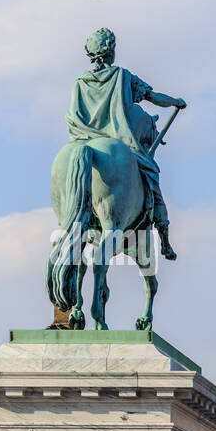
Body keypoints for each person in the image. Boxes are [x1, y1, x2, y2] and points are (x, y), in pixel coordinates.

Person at [66, 29, 186, 259]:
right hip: (121, 143)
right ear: (110, 52)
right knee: (153, 179)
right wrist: (176, 102)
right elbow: (153, 97)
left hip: (83, 140)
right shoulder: (122, 76)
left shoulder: (80, 82)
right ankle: (165, 241)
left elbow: (72, 116)